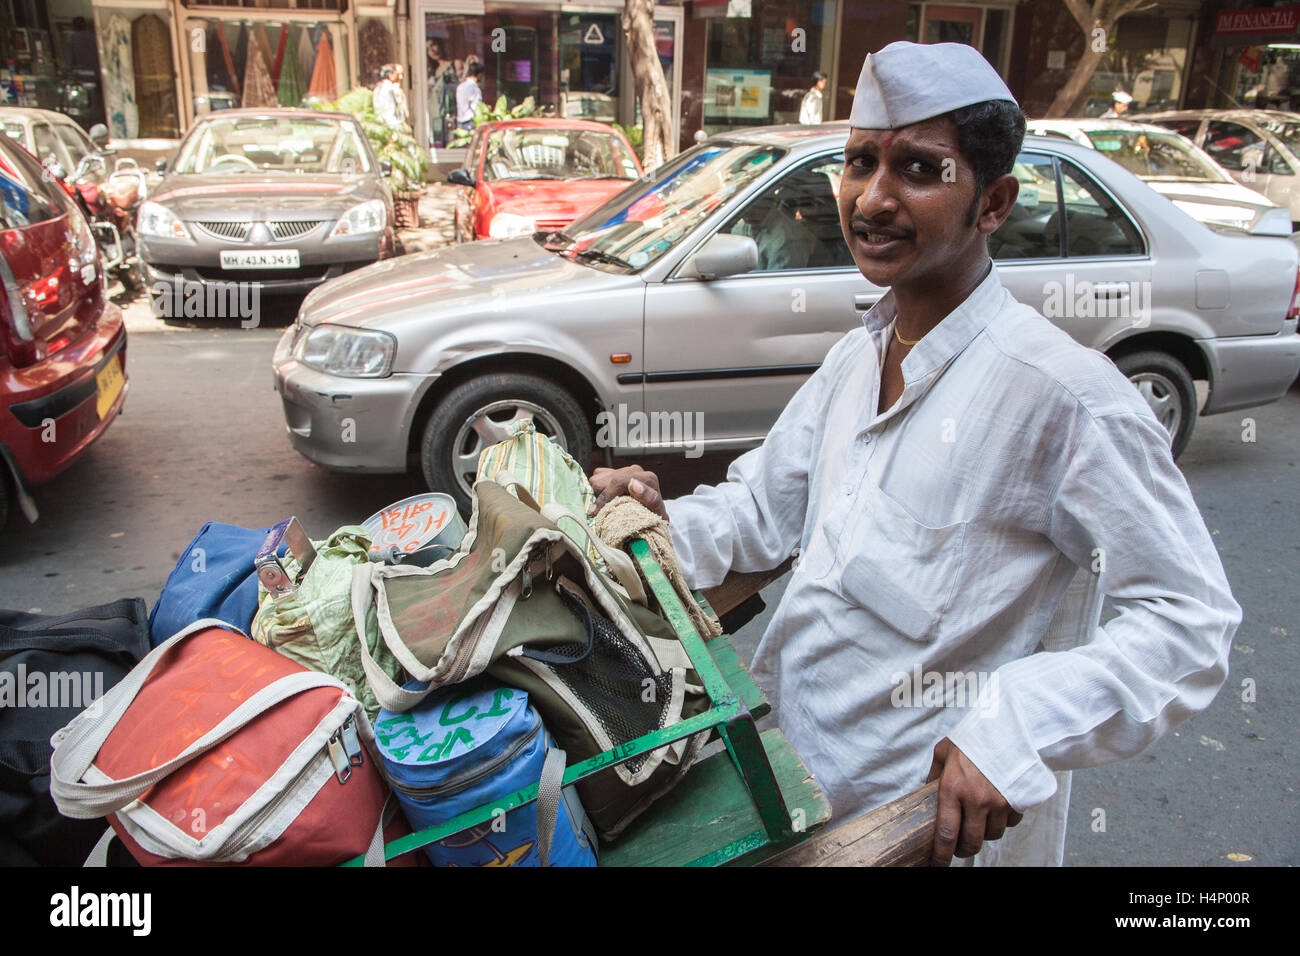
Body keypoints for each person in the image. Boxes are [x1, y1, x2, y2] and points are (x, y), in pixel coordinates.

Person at [589, 41, 1239, 866]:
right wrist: (646, 525)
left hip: (912, 834)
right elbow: (760, 513)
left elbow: (1191, 622)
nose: (874, 198)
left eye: (921, 171)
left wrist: (1013, 724)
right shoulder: (855, 358)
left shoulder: (1064, 397)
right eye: (860, 162)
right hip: (791, 789)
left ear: (994, 202)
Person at [373, 64, 406, 130]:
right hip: (390, 126)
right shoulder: (390, 89)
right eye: (398, 74)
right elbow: (393, 110)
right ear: (390, 75)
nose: (401, 77)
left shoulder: (379, 88)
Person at [457, 61, 484, 131]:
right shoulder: (474, 88)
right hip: (471, 122)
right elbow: (476, 107)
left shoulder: (460, 86)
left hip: (460, 122)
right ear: (479, 74)